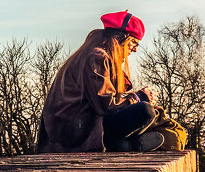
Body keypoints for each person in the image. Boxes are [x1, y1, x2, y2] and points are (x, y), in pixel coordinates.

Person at [36, 11, 186, 153]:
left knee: (146, 111)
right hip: (75, 132)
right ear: (120, 39)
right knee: (144, 111)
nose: (134, 50)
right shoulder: (97, 58)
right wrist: (140, 97)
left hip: (75, 128)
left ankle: (125, 145)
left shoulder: (94, 54)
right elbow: (106, 105)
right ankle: (125, 144)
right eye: (134, 42)